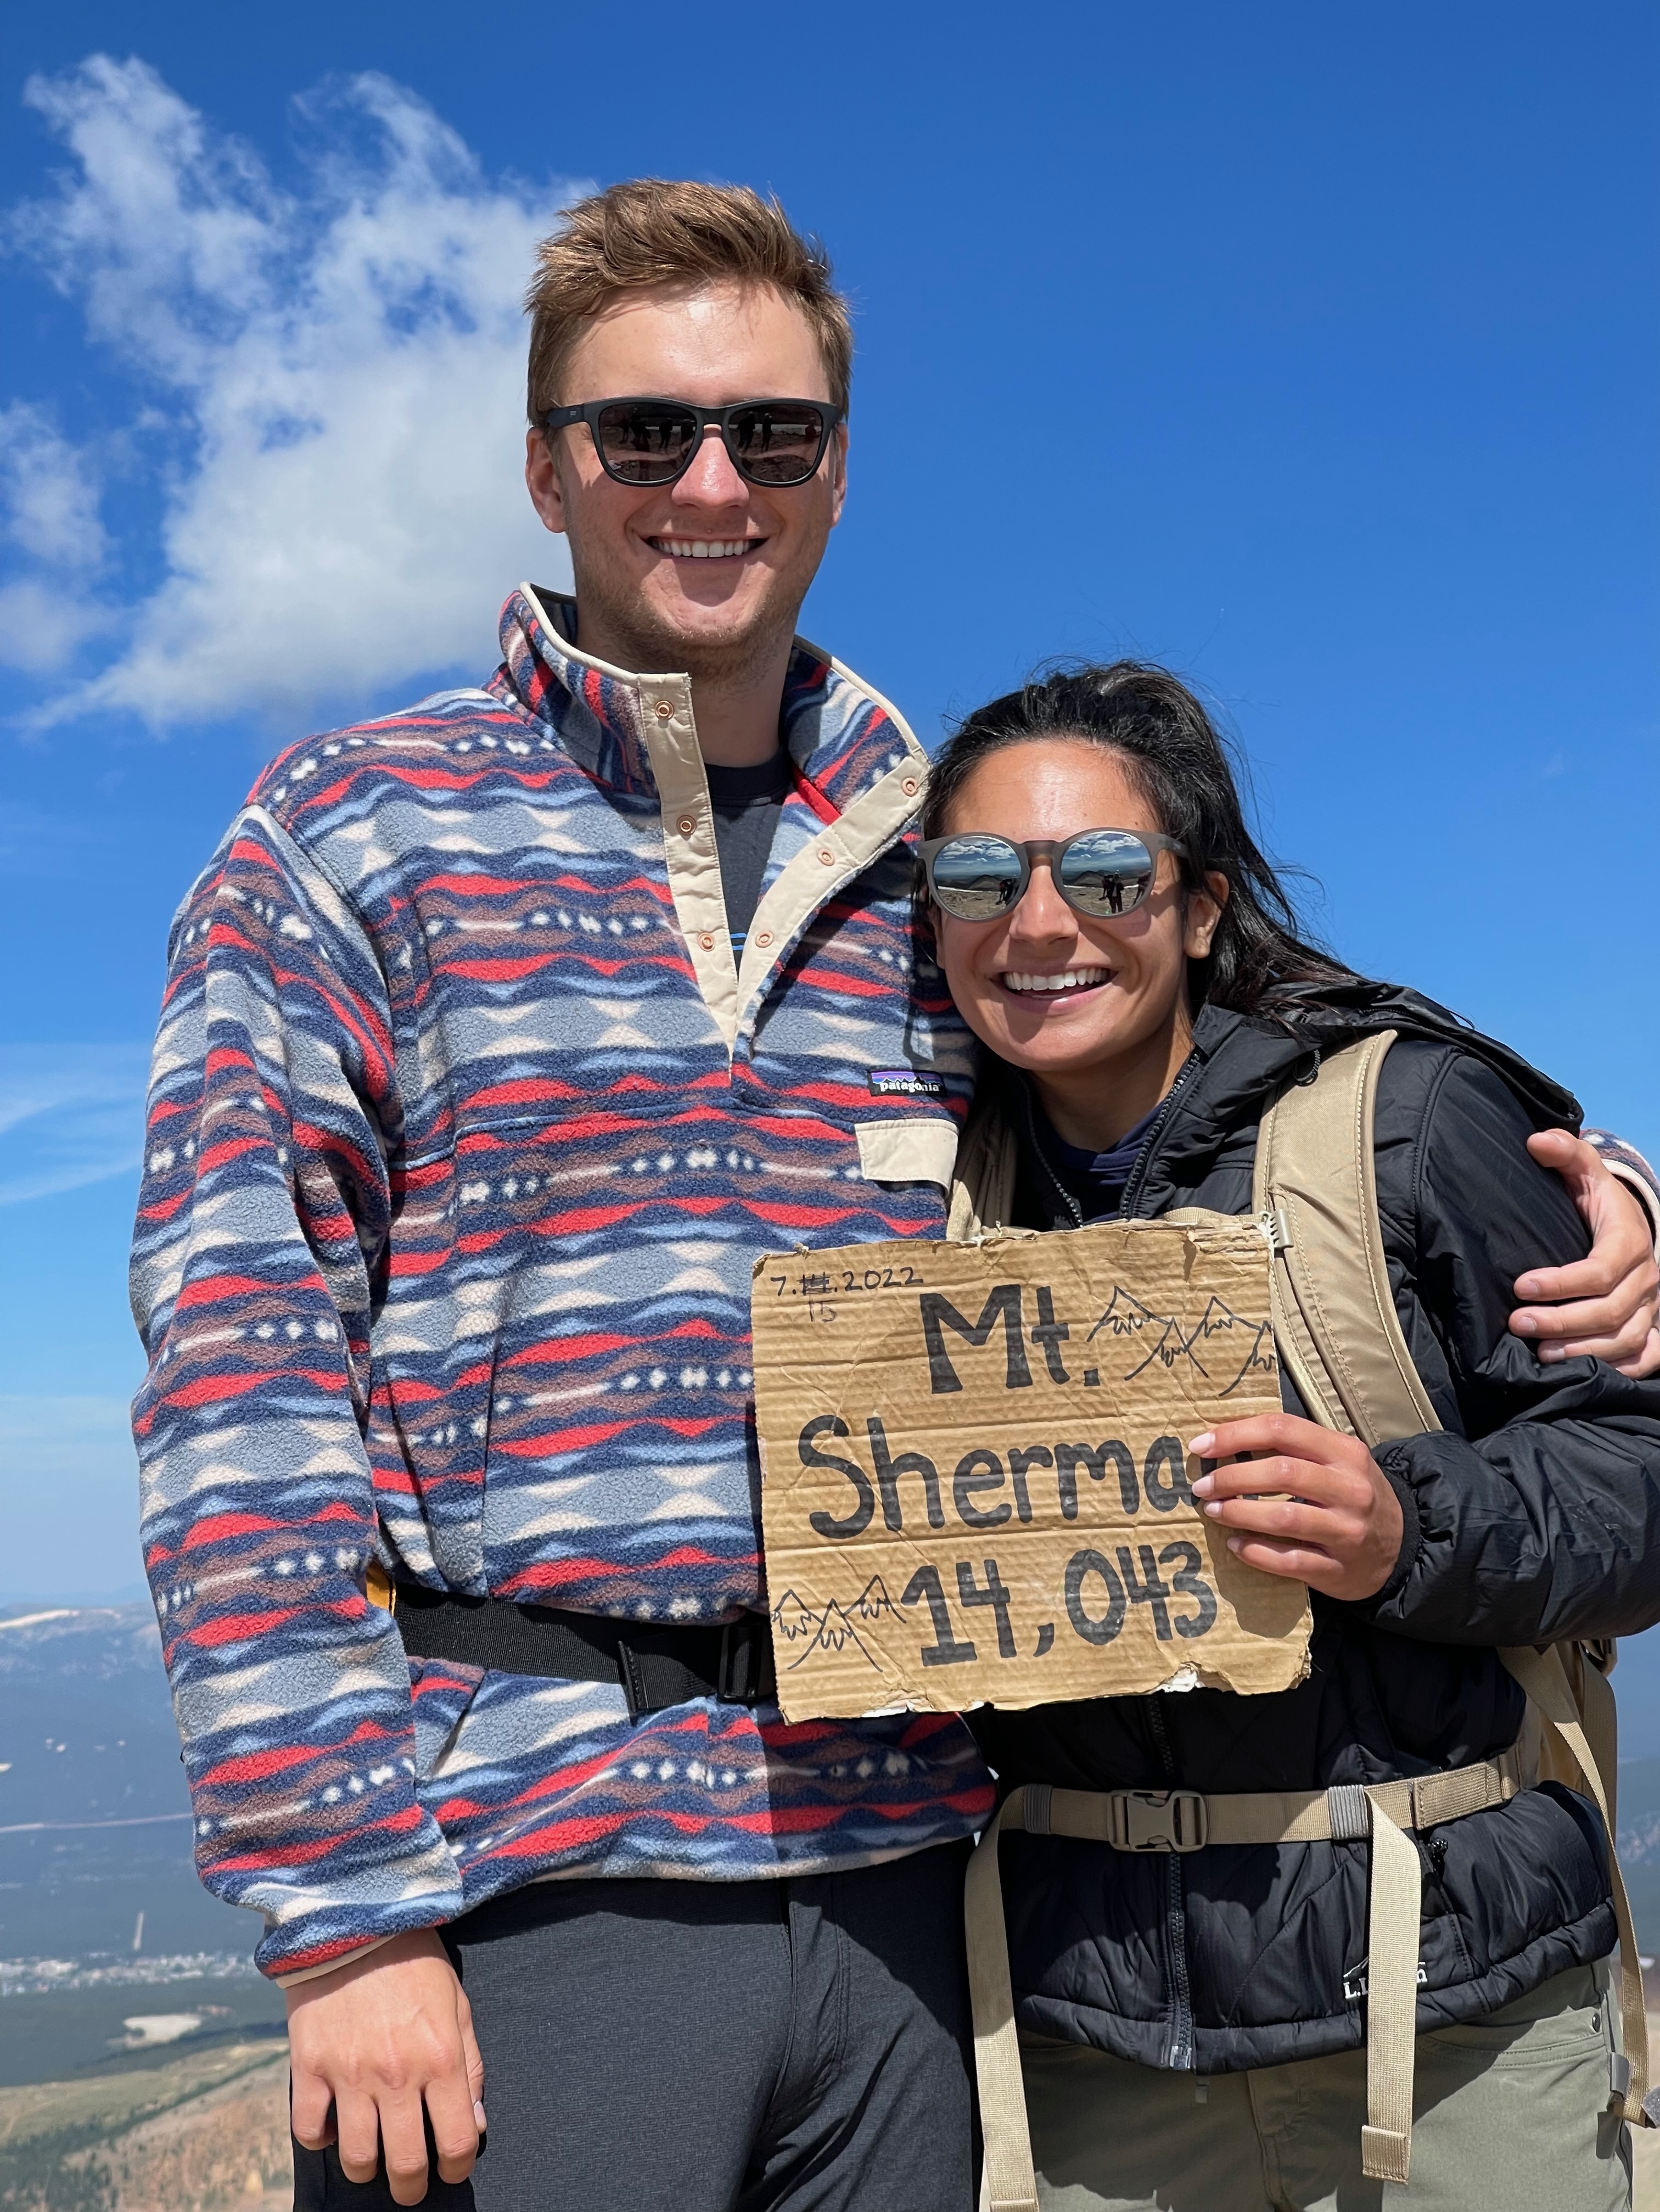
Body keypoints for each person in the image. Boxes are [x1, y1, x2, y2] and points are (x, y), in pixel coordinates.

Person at [126, 182, 1658, 2212]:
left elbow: (1219, 1052)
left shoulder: (931, 857)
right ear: (544, 470)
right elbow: (241, 1372)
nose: (710, 483)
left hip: (922, 1894)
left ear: (837, 472)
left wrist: (1595, 1181)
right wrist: (342, 1915)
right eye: (643, 432)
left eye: (771, 433)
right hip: (535, 1877)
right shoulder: (354, 834)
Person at [921, 660, 1660, 2211]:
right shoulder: (920, 1195)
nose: (1038, 924)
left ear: (1201, 908)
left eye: (1105, 874)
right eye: (978, 877)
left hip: (1455, 2026)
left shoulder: (1410, 1122)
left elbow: (1638, 1469)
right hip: (1090, 2058)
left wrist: (1407, 1531)